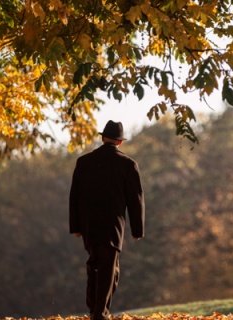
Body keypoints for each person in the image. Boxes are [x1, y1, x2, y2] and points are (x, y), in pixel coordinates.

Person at [69, 120, 145, 320]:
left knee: (95, 263)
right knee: (109, 266)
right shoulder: (128, 164)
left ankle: (94, 309)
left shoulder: (83, 162)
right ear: (120, 142)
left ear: (102, 138)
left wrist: (76, 226)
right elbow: (135, 200)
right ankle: (100, 313)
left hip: (89, 223)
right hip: (113, 224)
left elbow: (74, 196)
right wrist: (137, 229)